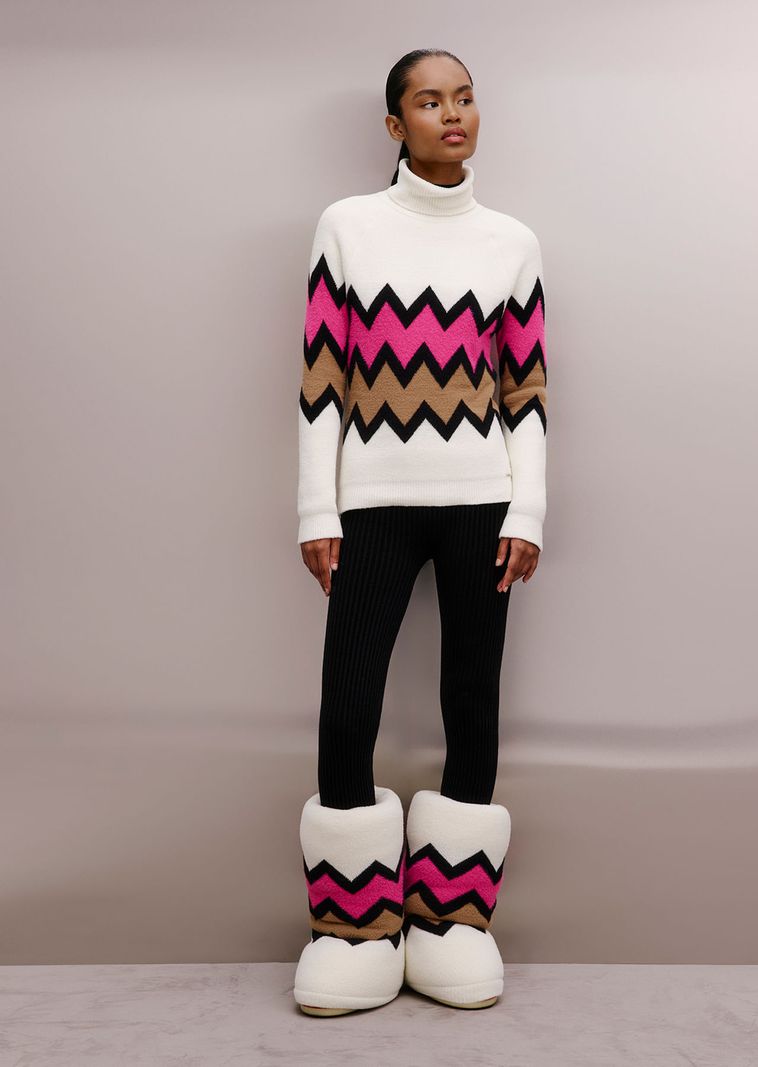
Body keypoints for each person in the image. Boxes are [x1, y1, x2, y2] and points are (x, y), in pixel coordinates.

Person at [292, 49, 547, 1016]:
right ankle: (354, 926)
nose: (454, 114)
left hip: (484, 501)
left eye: (465, 98)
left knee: (471, 697)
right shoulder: (348, 226)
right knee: (349, 697)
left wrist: (527, 508)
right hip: (374, 502)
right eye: (430, 101)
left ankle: (452, 920)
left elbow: (526, 390)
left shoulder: (510, 242)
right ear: (396, 126)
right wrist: (318, 508)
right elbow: (321, 379)